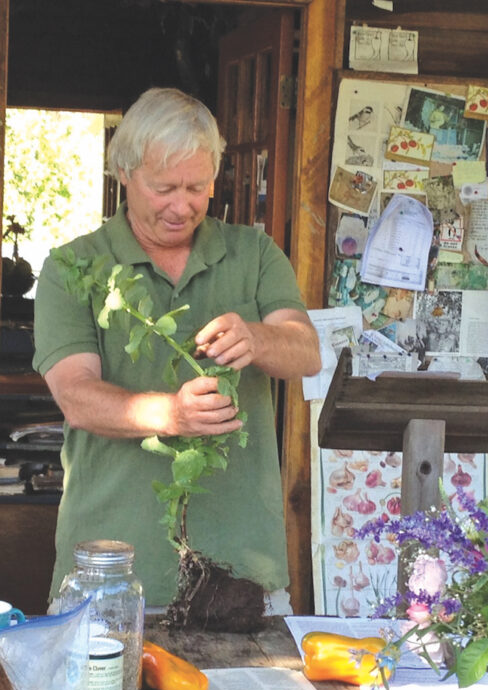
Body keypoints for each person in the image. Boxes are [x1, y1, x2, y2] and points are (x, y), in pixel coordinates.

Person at [33, 87, 321, 611]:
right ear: (124, 174)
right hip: (109, 570)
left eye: (198, 186)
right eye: (164, 187)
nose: (183, 205)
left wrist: (257, 337)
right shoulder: (73, 267)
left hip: (240, 568)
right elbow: (75, 395)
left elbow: (306, 351)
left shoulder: (253, 253)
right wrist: (173, 414)